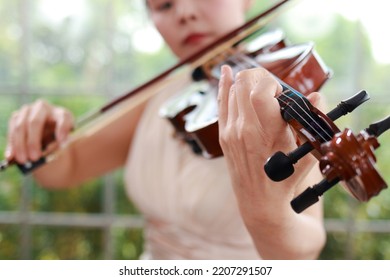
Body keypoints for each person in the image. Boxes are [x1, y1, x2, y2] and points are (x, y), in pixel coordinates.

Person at [4, 0, 326, 259]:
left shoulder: (281, 100)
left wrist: (266, 216)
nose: (185, 12)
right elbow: (67, 168)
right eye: (164, 5)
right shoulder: (165, 98)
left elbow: (306, 246)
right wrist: (42, 137)